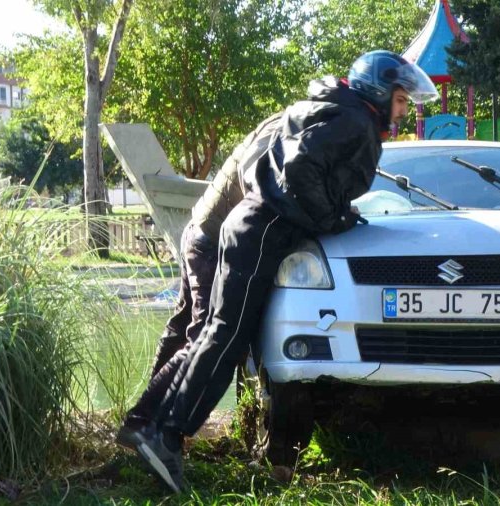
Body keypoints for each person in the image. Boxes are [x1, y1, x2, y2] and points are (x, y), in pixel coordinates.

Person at [128, 50, 438, 493]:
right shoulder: (355, 121)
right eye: (402, 100)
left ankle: (154, 426)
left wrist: (334, 211)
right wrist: (333, 217)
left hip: (253, 226)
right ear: (379, 92)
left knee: (217, 333)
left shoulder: (334, 110)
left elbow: (299, 167)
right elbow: (299, 168)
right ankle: (166, 434)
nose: (405, 110)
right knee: (224, 336)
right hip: (262, 230)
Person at [115, 116, 280, 448]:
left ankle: (144, 421)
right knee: (204, 337)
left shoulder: (286, 127)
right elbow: (252, 175)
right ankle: (145, 424)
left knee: (181, 330)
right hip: (212, 240)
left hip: (202, 230)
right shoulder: (282, 129)